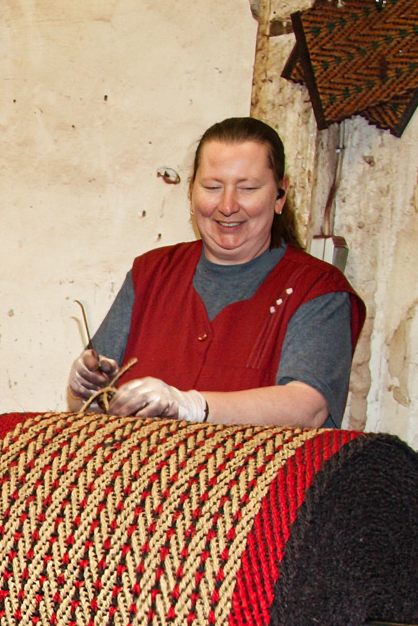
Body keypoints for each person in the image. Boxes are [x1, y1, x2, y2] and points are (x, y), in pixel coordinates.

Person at [67, 117, 363, 428]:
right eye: (212, 187)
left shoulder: (317, 288)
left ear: (280, 195)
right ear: (192, 192)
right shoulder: (151, 274)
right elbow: (87, 409)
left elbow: (308, 408)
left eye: (248, 188)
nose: (227, 205)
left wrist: (192, 406)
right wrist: (83, 389)